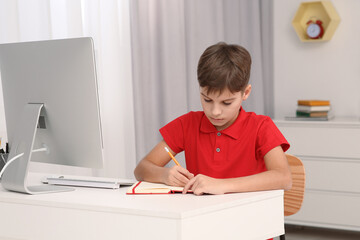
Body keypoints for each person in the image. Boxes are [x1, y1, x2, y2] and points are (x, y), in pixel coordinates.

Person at [134, 42, 292, 196]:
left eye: (226, 102)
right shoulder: (187, 124)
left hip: (246, 216)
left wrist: (222, 185)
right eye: (207, 100)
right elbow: (141, 169)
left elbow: (284, 178)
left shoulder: (261, 126)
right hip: (200, 215)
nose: (215, 112)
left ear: (246, 92)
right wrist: (165, 175)